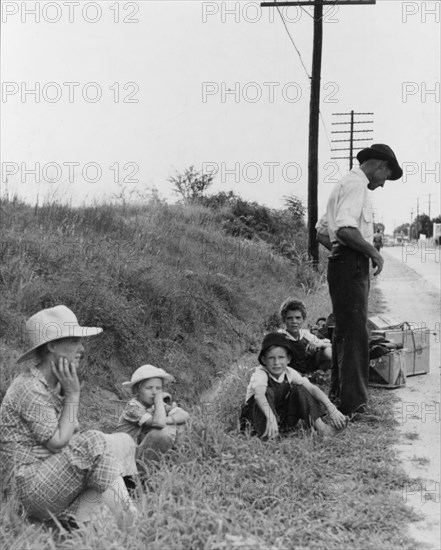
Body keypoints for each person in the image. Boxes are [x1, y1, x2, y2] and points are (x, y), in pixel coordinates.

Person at [0, 305, 138, 525]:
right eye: (74, 341)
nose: (82, 348)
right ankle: (128, 518)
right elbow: (58, 442)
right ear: (52, 345)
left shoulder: (55, 384)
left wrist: (68, 398)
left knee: (124, 441)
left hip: (51, 473)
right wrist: (74, 394)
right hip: (28, 488)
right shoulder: (29, 387)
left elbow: (73, 433)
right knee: (95, 442)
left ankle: (84, 522)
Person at [316, 144, 403, 416]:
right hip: (350, 266)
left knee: (343, 332)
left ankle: (340, 396)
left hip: (343, 263)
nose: (383, 184)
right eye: (386, 177)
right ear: (381, 166)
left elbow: (321, 231)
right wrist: (370, 253)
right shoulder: (356, 185)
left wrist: (342, 254)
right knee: (355, 335)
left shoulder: (345, 183)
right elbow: (343, 228)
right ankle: (355, 406)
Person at [239, 333, 347, 438]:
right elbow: (259, 395)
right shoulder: (260, 373)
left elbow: (312, 389)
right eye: (271, 358)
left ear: (288, 359)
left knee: (301, 389)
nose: (276, 362)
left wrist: (331, 408)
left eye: (281, 357)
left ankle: (322, 428)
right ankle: (267, 435)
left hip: (279, 419)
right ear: (263, 359)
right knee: (267, 392)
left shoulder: (289, 372)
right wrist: (271, 418)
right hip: (258, 420)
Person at [115, 364, 189, 463]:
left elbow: (184, 415)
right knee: (163, 433)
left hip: (140, 452)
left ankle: (176, 462)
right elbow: (159, 423)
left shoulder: (156, 405)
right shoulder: (132, 407)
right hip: (125, 458)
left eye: (158, 388)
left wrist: (167, 419)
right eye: (149, 388)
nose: (154, 392)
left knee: (179, 425)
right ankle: (142, 475)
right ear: (137, 390)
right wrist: (159, 398)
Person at [277, 298, 332, 375]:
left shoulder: (305, 334)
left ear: (303, 319)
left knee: (328, 351)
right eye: (289, 318)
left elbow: (330, 345)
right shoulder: (280, 337)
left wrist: (318, 345)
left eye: (298, 318)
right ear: (284, 320)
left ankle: (318, 377)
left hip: (308, 370)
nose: (294, 321)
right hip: (290, 373)